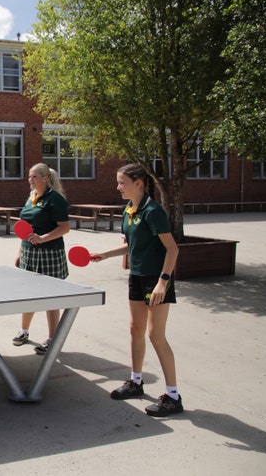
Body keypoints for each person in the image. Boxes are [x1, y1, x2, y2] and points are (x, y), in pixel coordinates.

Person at [91, 163, 181, 417]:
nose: (118, 187)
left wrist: (163, 282)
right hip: (137, 277)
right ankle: (136, 382)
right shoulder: (129, 210)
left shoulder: (153, 211)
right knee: (135, 330)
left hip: (156, 278)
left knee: (156, 336)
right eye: (118, 182)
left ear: (138, 183)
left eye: (122, 182)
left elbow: (172, 249)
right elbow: (130, 245)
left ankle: (173, 396)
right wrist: (104, 255)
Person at [12, 163, 70, 355]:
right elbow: (25, 228)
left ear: (45, 178)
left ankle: (52, 340)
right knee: (28, 294)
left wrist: (42, 238)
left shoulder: (55, 199)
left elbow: (64, 227)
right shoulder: (31, 199)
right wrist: (20, 252)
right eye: (29, 177)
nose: (30, 180)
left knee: (50, 298)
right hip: (29, 252)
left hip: (49, 253)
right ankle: (24, 331)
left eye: (34, 177)